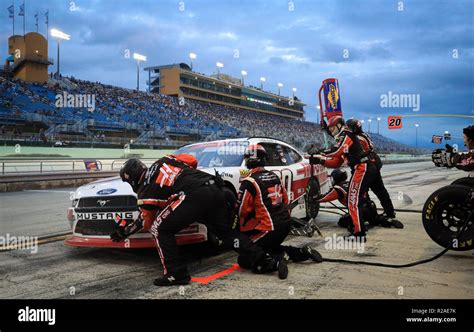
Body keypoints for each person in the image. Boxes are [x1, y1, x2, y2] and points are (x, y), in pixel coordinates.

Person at [111, 155, 273, 286]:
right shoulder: (165, 159)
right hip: (216, 188)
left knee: (159, 229)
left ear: (131, 179)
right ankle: (262, 259)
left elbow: (147, 223)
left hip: (194, 196)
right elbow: (191, 159)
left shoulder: (145, 191)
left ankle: (176, 273)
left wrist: (125, 231)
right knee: (225, 233)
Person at [235, 144, 323, 279]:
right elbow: (286, 201)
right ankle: (301, 252)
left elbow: (242, 210)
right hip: (285, 225)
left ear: (248, 160)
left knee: (245, 257)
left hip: (269, 228)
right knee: (269, 247)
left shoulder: (249, 182)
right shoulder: (275, 176)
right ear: (264, 159)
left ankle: (275, 263)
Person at [310, 116, 400, 242]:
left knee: (354, 200)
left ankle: (359, 233)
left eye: (332, 128)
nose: (330, 130)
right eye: (329, 128)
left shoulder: (348, 135)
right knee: (373, 193)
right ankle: (383, 217)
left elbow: (337, 150)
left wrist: (319, 152)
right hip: (366, 167)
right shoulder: (349, 137)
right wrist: (321, 161)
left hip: (362, 167)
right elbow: (337, 161)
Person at [345, 118, 403, 228]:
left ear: (356, 127)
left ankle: (360, 216)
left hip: (367, 167)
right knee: (380, 191)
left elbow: (349, 149)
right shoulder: (363, 135)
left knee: (360, 193)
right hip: (373, 165)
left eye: (350, 127)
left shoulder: (357, 138)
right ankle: (389, 212)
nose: (348, 129)